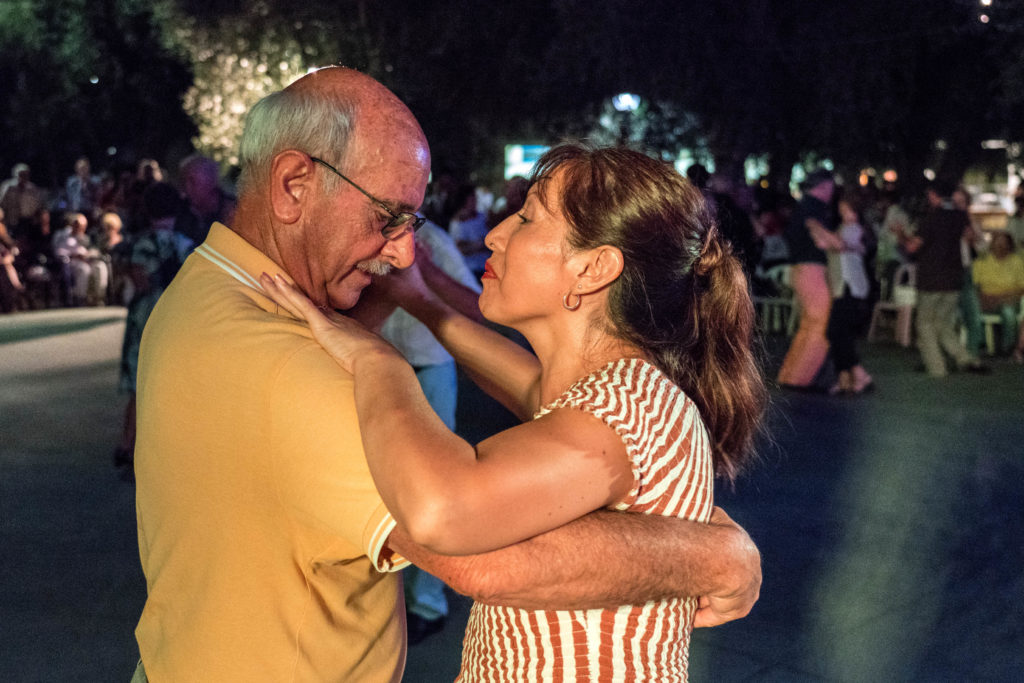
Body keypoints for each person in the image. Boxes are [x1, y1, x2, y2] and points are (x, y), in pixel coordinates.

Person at [132, 68, 761, 682]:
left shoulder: (206, 290)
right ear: (295, 185)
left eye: (527, 218)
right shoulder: (286, 363)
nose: (407, 252)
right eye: (387, 217)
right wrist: (714, 553)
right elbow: (483, 551)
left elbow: (517, 449)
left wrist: (399, 337)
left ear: (595, 269)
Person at [261, 141, 767, 680]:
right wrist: (421, 297)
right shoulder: (612, 392)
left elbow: (442, 510)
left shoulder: (627, 404)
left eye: (526, 219)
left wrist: (377, 362)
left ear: (594, 268)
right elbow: (523, 382)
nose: (495, 234)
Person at [377, 220, 483, 645]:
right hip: (378, 370)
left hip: (428, 369)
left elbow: (477, 307)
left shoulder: (432, 241)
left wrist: (423, 278)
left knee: (435, 489)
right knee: (384, 486)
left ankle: (428, 602)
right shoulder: (363, 230)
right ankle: (396, 596)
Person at [115, 183, 193, 478]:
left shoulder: (141, 244)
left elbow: (141, 282)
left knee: (139, 387)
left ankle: (127, 446)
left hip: (145, 319)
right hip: (178, 321)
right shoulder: (187, 245)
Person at [899, 180, 988, 377]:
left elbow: (913, 247)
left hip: (931, 278)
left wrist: (901, 236)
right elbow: (972, 238)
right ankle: (964, 358)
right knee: (944, 324)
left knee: (925, 324)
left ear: (933, 195)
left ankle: (937, 367)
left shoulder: (931, 218)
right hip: (954, 278)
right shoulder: (960, 216)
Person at [777, 169, 840, 389]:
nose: (832, 193)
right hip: (812, 269)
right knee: (820, 324)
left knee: (808, 323)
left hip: (800, 269)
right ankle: (802, 378)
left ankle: (790, 375)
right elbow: (820, 234)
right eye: (831, 188)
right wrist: (835, 242)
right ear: (823, 186)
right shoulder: (815, 208)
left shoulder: (802, 206)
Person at [825, 194, 874, 394]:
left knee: (837, 331)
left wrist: (816, 228)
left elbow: (841, 245)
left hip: (850, 287)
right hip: (845, 287)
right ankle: (853, 376)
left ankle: (852, 376)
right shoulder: (844, 229)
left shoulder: (854, 230)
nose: (845, 214)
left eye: (848, 210)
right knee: (840, 333)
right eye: (843, 210)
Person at [971, 231, 1024, 358]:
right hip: (986, 299)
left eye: (1004, 243)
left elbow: (1022, 286)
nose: (1001, 246)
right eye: (998, 242)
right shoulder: (982, 261)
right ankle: (979, 345)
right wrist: (983, 298)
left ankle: (1007, 348)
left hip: (1010, 298)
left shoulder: (1017, 261)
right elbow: (975, 285)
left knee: (1008, 312)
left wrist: (1003, 298)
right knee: (971, 309)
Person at [174, 154, 236, 244]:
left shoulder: (235, 211)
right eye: (184, 181)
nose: (187, 187)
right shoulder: (181, 212)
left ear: (211, 180)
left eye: (192, 181)